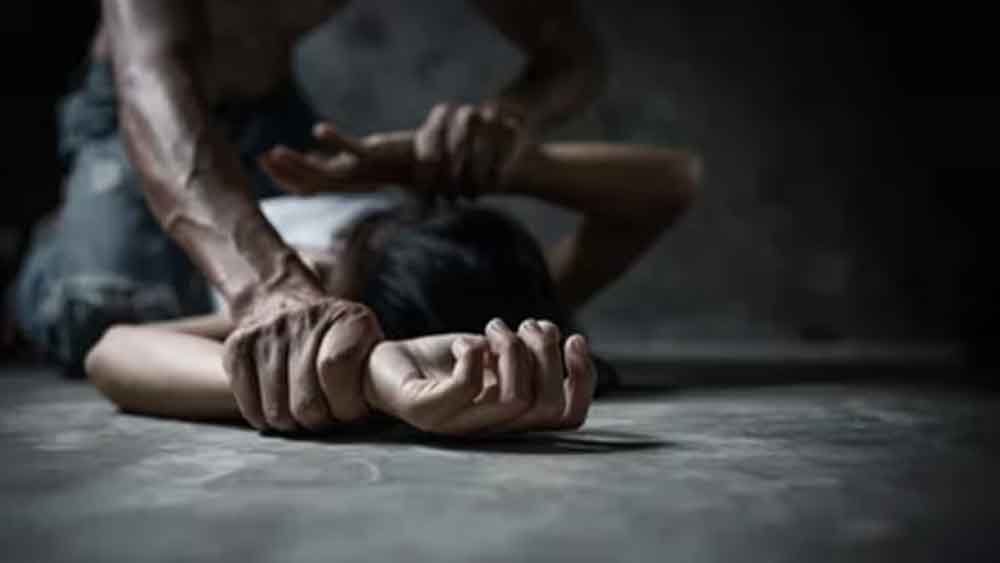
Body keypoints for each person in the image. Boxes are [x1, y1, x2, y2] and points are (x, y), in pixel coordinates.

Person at [13, 1, 609, 433]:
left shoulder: (398, 292)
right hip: (146, 103)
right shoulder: (375, 246)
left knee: (102, 307)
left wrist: (503, 125)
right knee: (89, 297)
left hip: (270, 107)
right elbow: (149, 78)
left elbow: (572, 58)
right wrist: (271, 289)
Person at [84, 126, 699, 435]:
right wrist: (493, 164)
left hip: (152, 249)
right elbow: (673, 182)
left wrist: (352, 372)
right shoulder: (498, 284)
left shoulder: (361, 306)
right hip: (258, 162)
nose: (315, 263)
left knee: (79, 291)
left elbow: (112, 350)